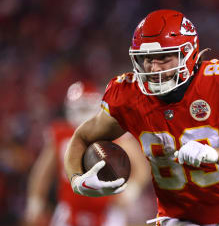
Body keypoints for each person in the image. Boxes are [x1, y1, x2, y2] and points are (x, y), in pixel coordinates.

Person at [64, 9, 219, 226]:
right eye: (146, 59)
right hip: (176, 220)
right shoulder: (128, 96)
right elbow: (82, 137)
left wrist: (214, 154)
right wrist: (77, 180)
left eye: (164, 58)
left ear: (188, 54)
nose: (153, 68)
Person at [24, 81, 150, 226]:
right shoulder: (62, 134)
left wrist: (132, 189)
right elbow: (42, 172)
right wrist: (35, 200)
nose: (81, 116)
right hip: (69, 210)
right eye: (78, 109)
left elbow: (141, 167)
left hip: (107, 211)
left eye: (86, 109)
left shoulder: (114, 133)